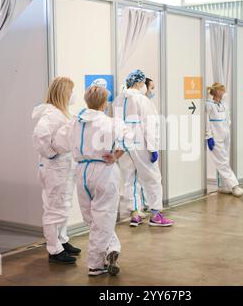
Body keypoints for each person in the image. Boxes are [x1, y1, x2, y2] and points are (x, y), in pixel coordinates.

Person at [54, 85, 134, 276]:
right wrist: (116, 155)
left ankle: (110, 247)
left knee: (90, 217)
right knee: (103, 216)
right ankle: (96, 264)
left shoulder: (74, 122)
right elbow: (129, 139)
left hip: (82, 171)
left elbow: (60, 142)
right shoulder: (112, 122)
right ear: (104, 103)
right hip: (104, 170)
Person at [114, 70, 174, 227]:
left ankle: (134, 213)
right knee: (153, 178)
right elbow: (150, 125)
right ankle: (156, 214)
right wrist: (153, 147)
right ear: (139, 83)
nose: (148, 89)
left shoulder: (118, 99)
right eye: (147, 86)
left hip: (123, 143)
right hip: (140, 142)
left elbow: (116, 123)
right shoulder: (142, 100)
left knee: (129, 179)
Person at [32, 77, 81, 265]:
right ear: (63, 93)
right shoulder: (51, 115)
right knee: (54, 208)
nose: (73, 95)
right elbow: (40, 136)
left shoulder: (61, 112)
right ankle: (54, 249)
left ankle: (62, 241)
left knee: (63, 206)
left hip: (63, 168)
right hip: (55, 168)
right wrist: (51, 153)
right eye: (71, 91)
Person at [206, 83, 243, 197]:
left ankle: (223, 186)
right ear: (217, 91)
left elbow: (228, 118)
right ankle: (234, 186)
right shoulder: (209, 105)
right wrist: (209, 137)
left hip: (225, 136)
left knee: (225, 160)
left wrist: (227, 129)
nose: (224, 93)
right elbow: (207, 122)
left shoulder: (224, 104)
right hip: (216, 138)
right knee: (222, 162)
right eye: (222, 91)